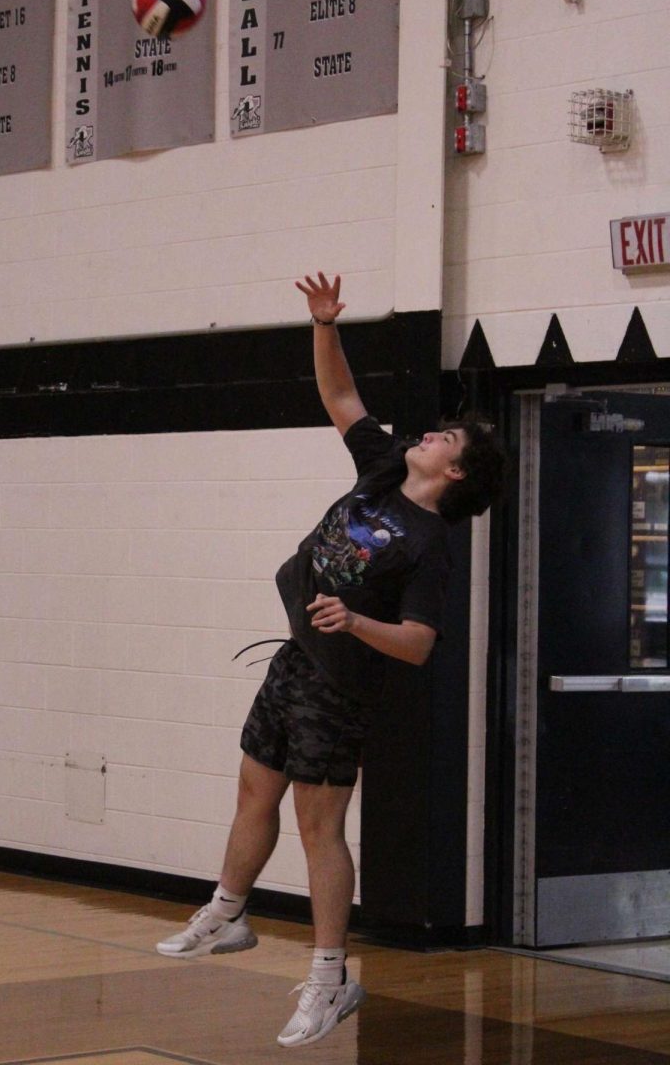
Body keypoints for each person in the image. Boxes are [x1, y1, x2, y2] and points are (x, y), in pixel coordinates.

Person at [155, 273, 507, 1048]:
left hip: (340, 688)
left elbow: (418, 645)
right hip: (293, 662)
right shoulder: (383, 468)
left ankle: (328, 979)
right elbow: (341, 397)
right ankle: (229, 912)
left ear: (454, 472)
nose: (432, 434)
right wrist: (323, 326)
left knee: (320, 827)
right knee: (253, 792)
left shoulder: (429, 549)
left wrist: (353, 619)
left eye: (447, 438)